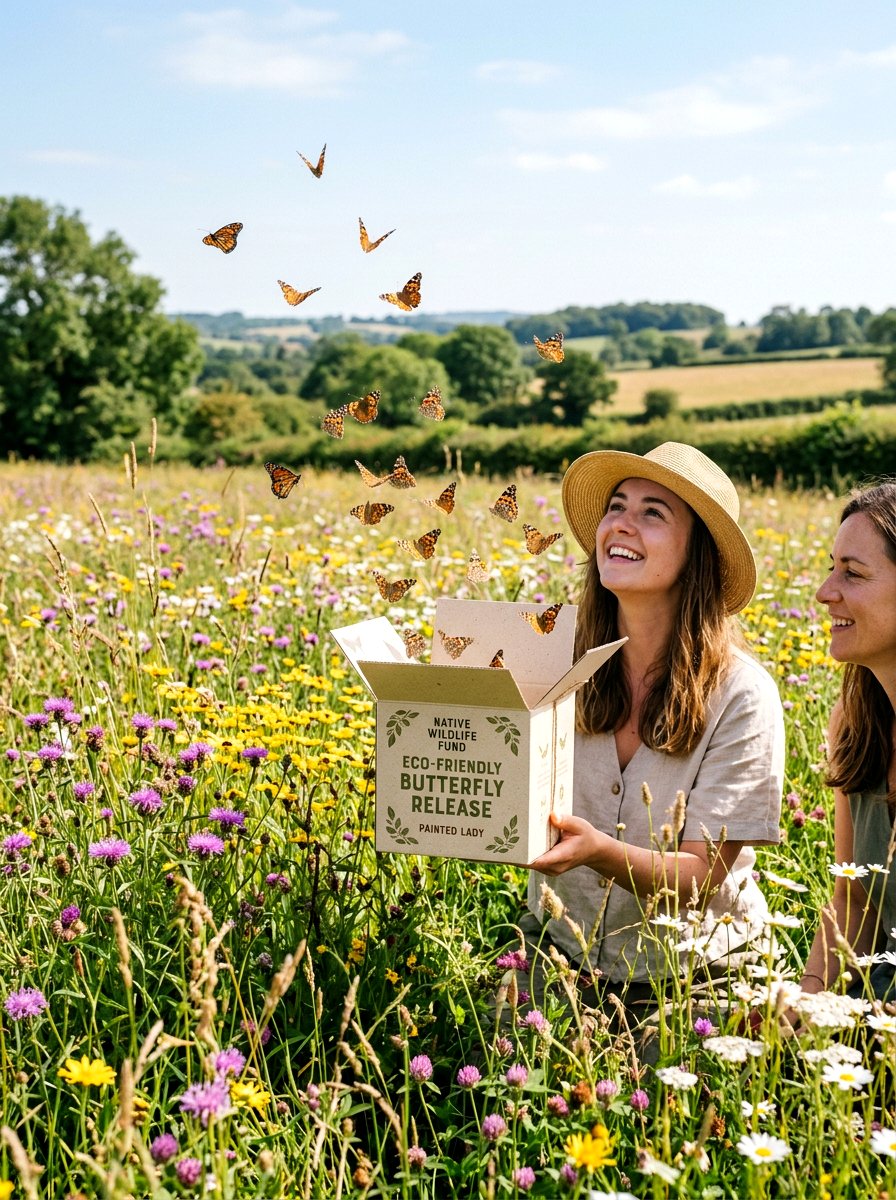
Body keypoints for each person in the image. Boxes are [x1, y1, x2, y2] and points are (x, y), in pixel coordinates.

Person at [526, 441, 784, 1016]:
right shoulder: (552, 663)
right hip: (558, 953)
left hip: (694, 976)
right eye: (616, 506)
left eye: (653, 513)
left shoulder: (741, 695)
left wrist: (598, 852)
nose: (621, 523)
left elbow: (702, 878)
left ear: (697, 555)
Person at [800, 482, 896, 1001]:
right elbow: (854, 903)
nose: (824, 592)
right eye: (831, 568)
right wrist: (801, 1005)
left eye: (852, 574)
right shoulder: (854, 724)